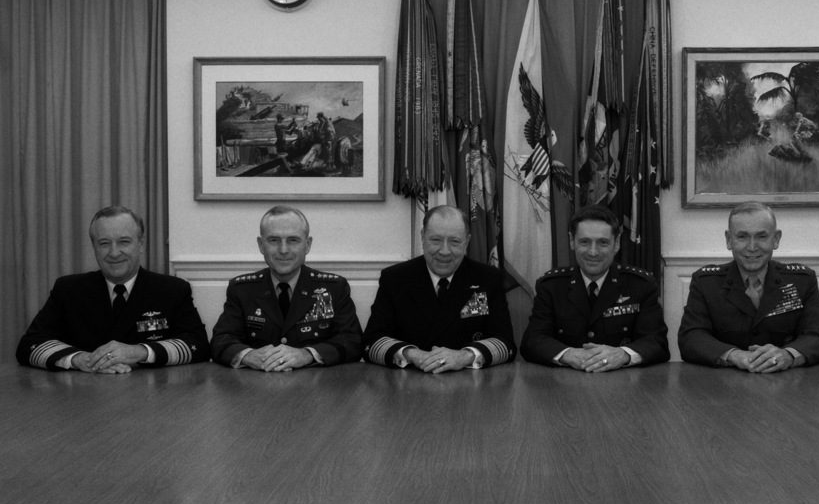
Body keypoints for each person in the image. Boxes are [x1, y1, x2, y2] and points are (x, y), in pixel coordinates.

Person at [16, 205, 210, 372]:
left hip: (153, 400)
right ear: (94, 247)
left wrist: (139, 352)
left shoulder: (172, 290)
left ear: (140, 244)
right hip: (84, 400)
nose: (114, 252)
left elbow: (198, 346)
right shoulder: (69, 290)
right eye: (104, 243)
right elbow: (29, 345)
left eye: (124, 242)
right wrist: (79, 359)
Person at [678, 201, 819, 371]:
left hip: (787, 384)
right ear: (729, 240)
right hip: (722, 386)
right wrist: (735, 355)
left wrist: (788, 356)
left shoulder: (801, 280)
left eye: (761, 236)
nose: (752, 247)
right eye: (742, 237)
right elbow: (691, 337)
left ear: (776, 239)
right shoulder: (706, 282)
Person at [363, 205, 515, 372]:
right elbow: (372, 342)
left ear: (467, 242)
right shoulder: (395, 279)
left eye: (454, 241)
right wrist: (413, 355)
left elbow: (505, 343)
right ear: (423, 237)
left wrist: (465, 356)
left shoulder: (488, 279)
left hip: (468, 383)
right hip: (410, 381)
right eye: (436, 240)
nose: (444, 251)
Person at [210, 205, 362, 371]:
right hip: (256, 386)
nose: (283, 250)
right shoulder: (242, 289)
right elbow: (220, 340)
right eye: (273, 240)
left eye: (293, 240)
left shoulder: (333, 288)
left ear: (308, 245)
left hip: (317, 388)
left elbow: (352, 341)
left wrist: (307, 354)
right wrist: (248, 356)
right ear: (261, 245)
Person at [521, 205, 669, 370]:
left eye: (603, 243)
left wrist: (623, 355)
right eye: (584, 242)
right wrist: (568, 354)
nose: (593, 252)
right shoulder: (551, 286)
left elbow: (657, 342)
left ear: (617, 243)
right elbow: (532, 341)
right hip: (564, 384)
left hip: (624, 384)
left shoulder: (640, 285)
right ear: (571, 241)